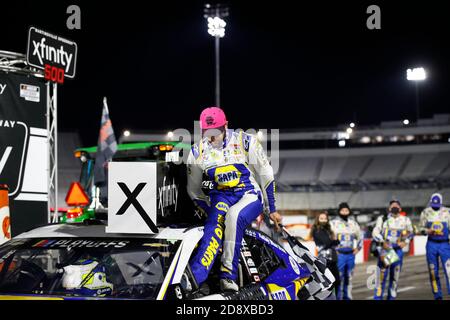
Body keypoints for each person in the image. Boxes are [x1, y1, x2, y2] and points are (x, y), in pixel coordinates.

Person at [186, 106, 282, 292]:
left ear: (226, 125)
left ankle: (228, 276)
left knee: (234, 216)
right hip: (220, 195)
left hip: (249, 194)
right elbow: (194, 191)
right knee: (215, 224)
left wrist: (272, 208)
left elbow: (266, 174)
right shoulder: (197, 152)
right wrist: (210, 212)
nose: (212, 136)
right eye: (207, 132)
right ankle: (194, 277)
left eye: (216, 131)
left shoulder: (246, 141)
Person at [372, 199, 414, 300]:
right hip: (385, 250)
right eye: (392, 206)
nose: (394, 207)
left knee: (395, 276)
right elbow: (375, 232)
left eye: (397, 206)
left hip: (397, 250)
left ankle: (391, 298)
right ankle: (378, 298)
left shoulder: (405, 219)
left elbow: (411, 232)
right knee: (381, 276)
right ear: (389, 208)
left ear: (400, 208)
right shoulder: (382, 218)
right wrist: (382, 242)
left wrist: (406, 242)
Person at [419, 193, 450, 300]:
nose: (435, 206)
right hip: (431, 244)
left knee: (449, 270)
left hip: (445, 244)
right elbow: (420, 228)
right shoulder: (425, 212)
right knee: (433, 271)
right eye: (433, 204)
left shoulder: (448, 212)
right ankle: (437, 294)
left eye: (437, 205)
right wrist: (427, 231)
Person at [330, 202, 362, 300]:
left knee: (349, 277)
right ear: (339, 211)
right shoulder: (333, 223)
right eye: (343, 210)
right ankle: (338, 297)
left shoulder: (353, 223)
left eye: (346, 210)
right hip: (339, 255)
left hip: (350, 255)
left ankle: (347, 297)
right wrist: (334, 250)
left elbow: (360, 237)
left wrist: (358, 248)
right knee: (338, 278)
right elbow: (329, 237)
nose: (344, 212)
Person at [309, 211, 340, 298]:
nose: (323, 220)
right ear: (318, 220)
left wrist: (334, 241)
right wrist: (334, 241)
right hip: (324, 259)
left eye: (325, 219)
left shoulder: (328, 230)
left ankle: (336, 297)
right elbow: (327, 242)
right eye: (321, 218)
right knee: (329, 282)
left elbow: (333, 242)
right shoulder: (316, 230)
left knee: (337, 281)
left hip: (332, 259)